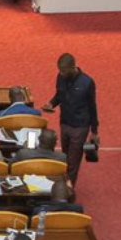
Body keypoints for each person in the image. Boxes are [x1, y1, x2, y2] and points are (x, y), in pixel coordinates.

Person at [45, 52, 98, 180]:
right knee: (64, 157)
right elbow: (59, 95)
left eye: (63, 71)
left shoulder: (87, 82)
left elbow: (92, 106)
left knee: (73, 162)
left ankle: (68, 190)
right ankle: (64, 184)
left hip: (80, 127)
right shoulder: (60, 77)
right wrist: (51, 104)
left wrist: (94, 131)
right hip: (64, 123)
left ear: (73, 67)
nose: (61, 74)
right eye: (60, 71)